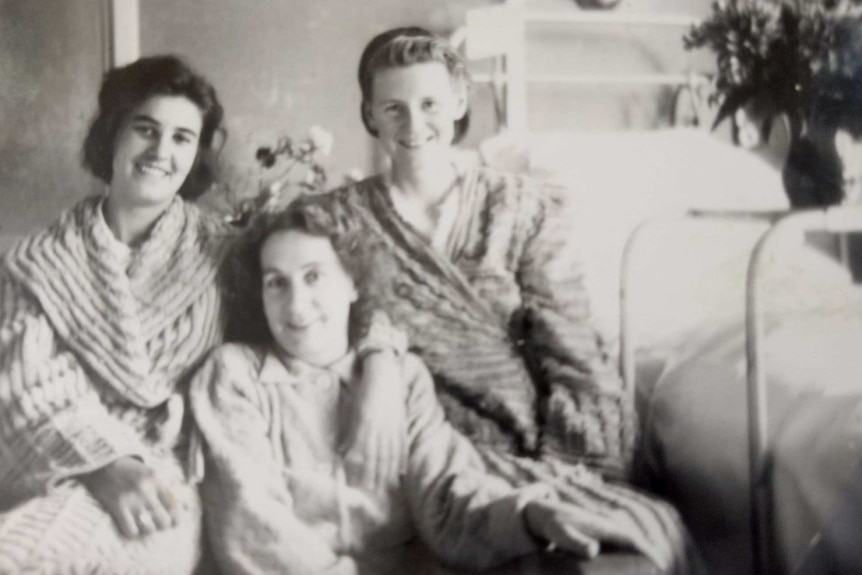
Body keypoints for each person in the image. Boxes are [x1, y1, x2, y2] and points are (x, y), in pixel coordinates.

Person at [301, 26, 700, 572]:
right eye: (393, 108)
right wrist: (379, 356)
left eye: (430, 104)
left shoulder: (523, 210)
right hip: (415, 466)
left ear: (460, 102)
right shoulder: (334, 220)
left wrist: (571, 476)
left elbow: (573, 351)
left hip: (533, 453)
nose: (414, 125)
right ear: (369, 114)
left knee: (623, 554)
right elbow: (302, 322)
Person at [0, 54, 401, 574]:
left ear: (196, 154)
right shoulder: (34, 262)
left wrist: (385, 364)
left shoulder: (225, 252)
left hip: (176, 481)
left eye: (182, 138)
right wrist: (107, 467)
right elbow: (27, 392)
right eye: (145, 129)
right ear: (111, 134)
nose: (161, 152)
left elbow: (332, 299)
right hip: (73, 468)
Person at [189, 198, 669, 575]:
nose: (297, 304)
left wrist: (528, 517)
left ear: (354, 283)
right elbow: (250, 521)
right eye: (277, 282)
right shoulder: (234, 375)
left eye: (314, 276)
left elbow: (445, 498)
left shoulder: (401, 377)